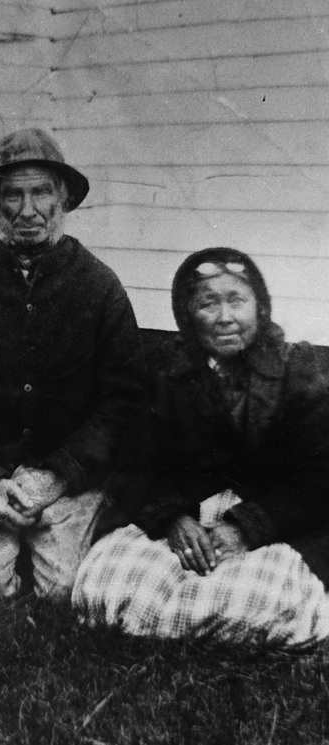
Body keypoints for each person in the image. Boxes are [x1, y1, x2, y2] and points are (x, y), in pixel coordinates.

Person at [0, 128, 144, 598]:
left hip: (68, 479)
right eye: (13, 194)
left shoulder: (99, 286)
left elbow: (122, 403)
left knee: (64, 589)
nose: (27, 210)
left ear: (62, 199)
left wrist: (57, 475)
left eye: (41, 191)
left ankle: (39, 545)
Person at [73, 246, 329, 648]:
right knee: (107, 588)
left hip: (273, 522)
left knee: (271, 599)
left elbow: (318, 479)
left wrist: (248, 527)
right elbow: (133, 465)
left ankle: (191, 621)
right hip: (184, 515)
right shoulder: (162, 374)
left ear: (260, 308)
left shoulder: (298, 372)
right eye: (208, 303)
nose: (226, 317)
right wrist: (172, 519)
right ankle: (204, 621)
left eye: (237, 301)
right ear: (186, 314)